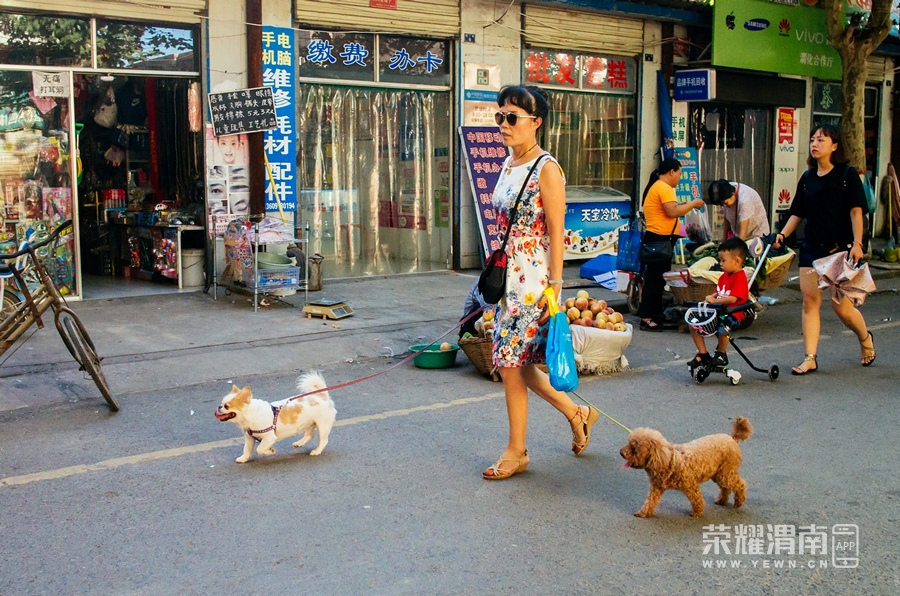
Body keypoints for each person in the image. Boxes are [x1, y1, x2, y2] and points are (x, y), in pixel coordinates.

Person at [482, 84, 599, 481]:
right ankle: (577, 412)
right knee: (517, 362)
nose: (504, 124)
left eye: (512, 117)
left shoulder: (546, 168)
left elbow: (556, 228)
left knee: (511, 364)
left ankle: (517, 451)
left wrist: (557, 282)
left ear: (537, 123)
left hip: (533, 280)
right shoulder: (508, 164)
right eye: (500, 116)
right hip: (506, 278)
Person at [773, 124, 874, 374]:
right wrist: (783, 234)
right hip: (811, 248)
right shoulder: (807, 178)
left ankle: (865, 339)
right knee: (809, 302)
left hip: (840, 250)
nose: (815, 144)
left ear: (835, 146)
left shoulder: (847, 175)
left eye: (821, 139)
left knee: (842, 308)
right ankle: (810, 357)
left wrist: (858, 243)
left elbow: (855, 211)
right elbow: (798, 212)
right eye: (813, 139)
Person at [637, 158, 706, 331]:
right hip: (659, 240)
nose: (679, 178)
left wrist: (682, 206)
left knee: (657, 280)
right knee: (654, 280)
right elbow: (672, 211)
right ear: (671, 172)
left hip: (658, 240)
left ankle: (654, 314)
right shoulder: (664, 187)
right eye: (679, 173)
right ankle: (647, 318)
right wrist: (692, 204)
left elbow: (669, 210)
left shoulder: (658, 187)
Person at [686, 237, 750, 370]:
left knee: (723, 327)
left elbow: (732, 299)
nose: (720, 263)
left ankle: (721, 353)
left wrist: (715, 301)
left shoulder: (740, 278)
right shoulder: (723, 276)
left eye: (723, 260)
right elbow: (719, 292)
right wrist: (711, 297)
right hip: (719, 311)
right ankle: (703, 353)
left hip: (733, 314)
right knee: (693, 323)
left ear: (737, 261)